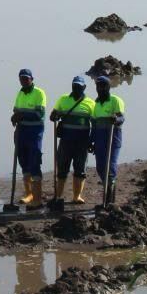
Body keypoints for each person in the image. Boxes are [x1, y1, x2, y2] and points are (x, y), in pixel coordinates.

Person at [51, 76, 95, 207]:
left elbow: (95, 123)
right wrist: (54, 116)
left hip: (82, 142)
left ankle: (77, 196)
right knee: (62, 169)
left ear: (84, 87)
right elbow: (53, 114)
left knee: (80, 170)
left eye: (79, 86)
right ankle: (58, 196)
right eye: (74, 86)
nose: (76, 88)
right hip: (65, 141)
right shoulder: (63, 99)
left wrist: (91, 141)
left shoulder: (90, 103)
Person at [10, 68, 47, 206]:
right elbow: (16, 111)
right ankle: (28, 194)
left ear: (32, 79)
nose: (24, 81)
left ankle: (37, 199)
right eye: (21, 78)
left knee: (34, 162)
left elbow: (39, 114)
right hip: (21, 131)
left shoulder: (39, 93)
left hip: (34, 131)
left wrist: (21, 115)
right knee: (23, 161)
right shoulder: (20, 93)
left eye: (26, 78)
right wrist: (14, 117)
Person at [91, 73, 125, 204]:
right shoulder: (96, 103)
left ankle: (109, 201)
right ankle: (107, 190)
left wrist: (116, 119)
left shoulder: (116, 100)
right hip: (99, 138)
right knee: (100, 167)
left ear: (109, 87)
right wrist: (91, 141)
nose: (101, 89)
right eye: (98, 86)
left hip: (113, 136)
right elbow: (93, 124)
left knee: (110, 167)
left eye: (103, 86)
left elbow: (122, 118)